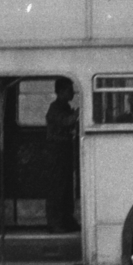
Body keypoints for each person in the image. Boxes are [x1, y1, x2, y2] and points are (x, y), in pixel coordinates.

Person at [44, 77, 80, 233]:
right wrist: (78, 114)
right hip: (56, 152)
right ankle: (55, 222)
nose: (72, 93)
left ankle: (66, 219)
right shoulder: (55, 108)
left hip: (64, 151)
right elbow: (66, 122)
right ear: (61, 91)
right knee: (57, 188)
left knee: (66, 188)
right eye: (69, 90)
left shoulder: (65, 107)